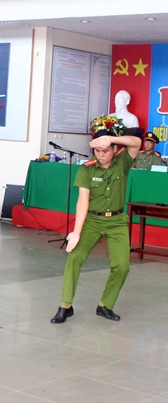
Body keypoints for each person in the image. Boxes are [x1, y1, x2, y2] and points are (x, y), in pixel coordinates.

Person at [50, 129, 141, 324]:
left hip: (116, 222)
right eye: (97, 151)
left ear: (114, 148)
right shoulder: (87, 169)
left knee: (122, 267)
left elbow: (136, 143)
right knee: (74, 257)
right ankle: (65, 306)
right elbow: (83, 201)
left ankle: (105, 305)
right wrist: (76, 231)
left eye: (105, 150)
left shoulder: (123, 162)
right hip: (92, 220)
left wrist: (112, 138)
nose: (101, 155)